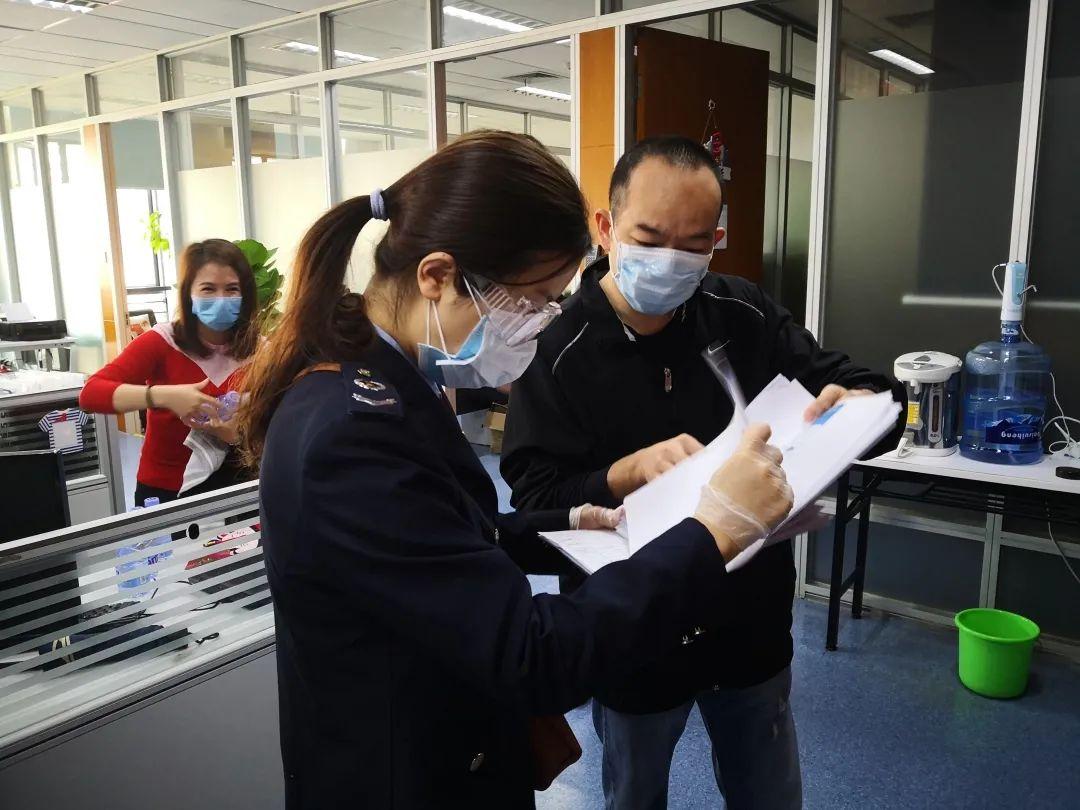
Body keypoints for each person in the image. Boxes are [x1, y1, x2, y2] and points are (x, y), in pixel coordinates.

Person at [240, 131, 796, 809]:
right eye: (530, 301)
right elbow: (530, 656)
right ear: (437, 277)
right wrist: (714, 531)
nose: (538, 323)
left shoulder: (391, 381)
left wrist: (571, 523)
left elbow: (442, 540)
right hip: (405, 776)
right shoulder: (350, 431)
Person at [501, 136, 907, 810]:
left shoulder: (740, 311)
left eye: (693, 244)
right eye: (649, 238)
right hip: (635, 629)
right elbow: (536, 501)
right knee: (635, 792)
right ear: (605, 226)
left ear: (716, 239)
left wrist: (860, 403)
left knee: (768, 790)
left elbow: (859, 389)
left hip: (748, 620)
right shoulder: (557, 346)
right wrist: (621, 474)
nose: (670, 260)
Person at [80, 239, 259, 505]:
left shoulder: (263, 351)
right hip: (165, 491)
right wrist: (164, 396)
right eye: (208, 289)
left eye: (232, 289)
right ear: (189, 294)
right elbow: (91, 394)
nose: (221, 299)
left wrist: (236, 436)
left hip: (237, 490)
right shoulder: (163, 341)